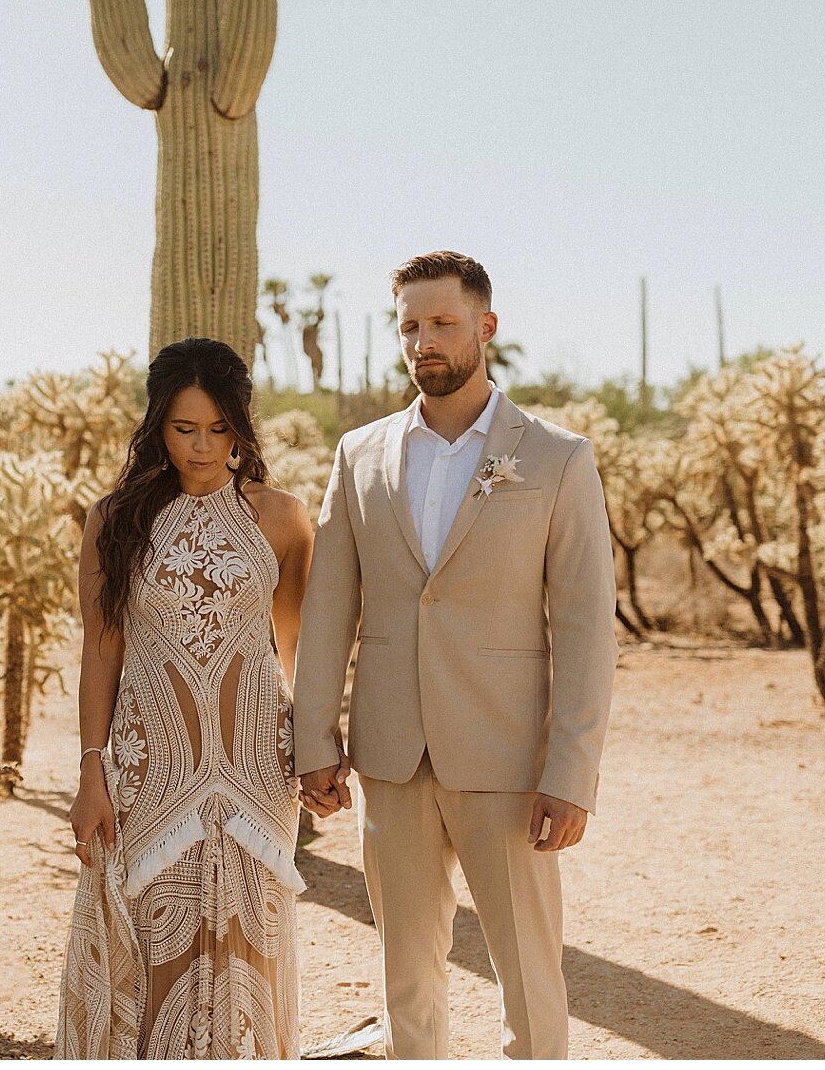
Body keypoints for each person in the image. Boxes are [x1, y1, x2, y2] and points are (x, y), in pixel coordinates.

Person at [292, 250, 617, 1059]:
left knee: (530, 980)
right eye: (409, 325)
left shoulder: (555, 456)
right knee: (406, 977)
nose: (423, 340)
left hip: (507, 759)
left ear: (486, 326)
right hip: (391, 756)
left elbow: (585, 626)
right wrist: (314, 742)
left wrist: (570, 772)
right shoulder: (359, 454)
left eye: (441, 322)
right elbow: (330, 610)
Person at [55, 337, 324, 1059]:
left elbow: (297, 652)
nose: (202, 447)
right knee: (154, 951)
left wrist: (322, 754)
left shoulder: (283, 517)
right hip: (151, 772)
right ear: (156, 427)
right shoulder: (114, 519)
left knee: (251, 955)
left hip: (259, 774)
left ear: (240, 427)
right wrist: (91, 769)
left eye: (218, 428)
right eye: (183, 428)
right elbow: (101, 648)